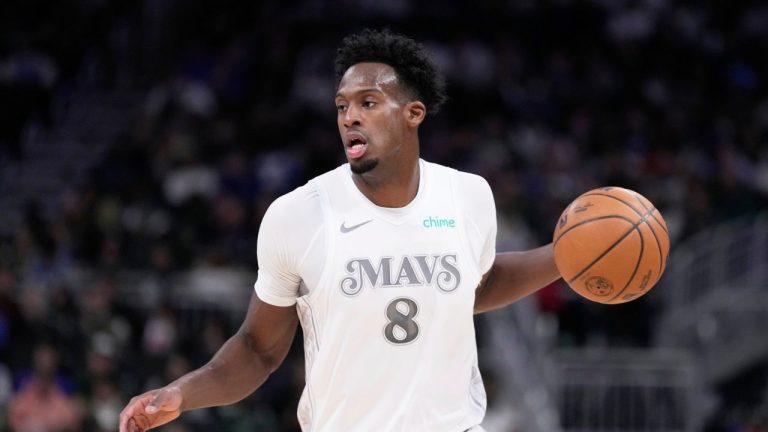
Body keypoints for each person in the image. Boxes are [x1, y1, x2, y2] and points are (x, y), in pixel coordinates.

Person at [119, 28, 561, 432]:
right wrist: (182, 393)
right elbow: (258, 349)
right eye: (342, 106)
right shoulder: (298, 215)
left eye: (367, 103)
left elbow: (476, 285)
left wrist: (564, 255)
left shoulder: (468, 195)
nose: (349, 116)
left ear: (413, 113)